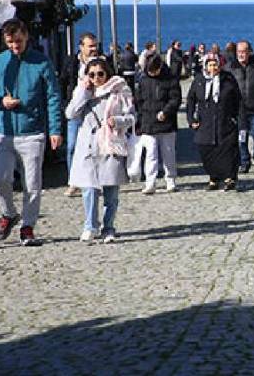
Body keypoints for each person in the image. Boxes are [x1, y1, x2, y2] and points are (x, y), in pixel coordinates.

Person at [0, 19, 63, 246]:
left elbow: (54, 97)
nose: (15, 45)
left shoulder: (41, 63)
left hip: (32, 131)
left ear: (26, 37)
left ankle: (27, 226)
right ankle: (8, 213)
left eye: (18, 41)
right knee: (0, 178)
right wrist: (0, 100)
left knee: (32, 183)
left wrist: (55, 129)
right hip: (2, 131)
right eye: (10, 42)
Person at [65, 58, 135, 243]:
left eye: (100, 74)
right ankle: (90, 225)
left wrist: (117, 121)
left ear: (108, 73)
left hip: (110, 145)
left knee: (111, 191)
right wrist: (83, 92)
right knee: (89, 189)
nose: (96, 78)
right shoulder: (82, 91)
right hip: (88, 145)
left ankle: (108, 226)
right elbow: (70, 113)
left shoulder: (120, 90)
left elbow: (132, 116)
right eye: (92, 74)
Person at [60, 32, 113, 197]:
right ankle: (74, 181)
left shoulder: (103, 62)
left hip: (95, 109)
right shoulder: (71, 62)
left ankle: (99, 179)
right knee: (72, 146)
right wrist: (66, 102)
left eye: (95, 45)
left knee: (99, 146)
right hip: (76, 107)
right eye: (90, 46)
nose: (93, 49)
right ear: (81, 47)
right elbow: (63, 81)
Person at [187, 54, 242, 191]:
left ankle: (230, 178)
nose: (213, 68)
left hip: (225, 121)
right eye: (210, 65)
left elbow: (238, 99)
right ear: (205, 66)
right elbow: (190, 100)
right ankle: (213, 177)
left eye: (215, 65)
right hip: (205, 122)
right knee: (207, 150)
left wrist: (237, 118)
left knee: (227, 150)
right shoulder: (199, 80)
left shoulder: (228, 79)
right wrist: (191, 119)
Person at [133, 55, 182, 193]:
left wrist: (166, 112)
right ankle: (150, 182)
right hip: (148, 123)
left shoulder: (170, 79)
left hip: (166, 123)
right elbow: (139, 101)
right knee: (151, 154)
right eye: (149, 71)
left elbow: (175, 99)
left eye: (154, 71)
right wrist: (140, 123)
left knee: (168, 153)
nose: (152, 74)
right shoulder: (143, 80)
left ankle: (170, 180)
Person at [225, 40, 254, 171]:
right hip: (239, 111)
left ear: (249, 52)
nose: (241, 54)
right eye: (239, 52)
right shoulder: (230, 68)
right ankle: (244, 161)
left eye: (244, 52)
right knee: (241, 138)